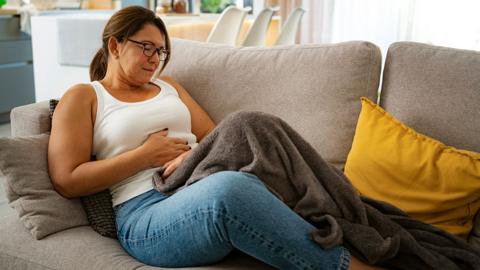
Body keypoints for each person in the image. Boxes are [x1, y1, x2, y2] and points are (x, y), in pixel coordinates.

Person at [48, 6, 380, 270]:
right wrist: (144, 156)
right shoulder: (84, 97)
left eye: (161, 52)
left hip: (197, 179)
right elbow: (67, 179)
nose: (154, 58)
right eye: (146, 47)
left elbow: (215, 136)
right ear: (115, 45)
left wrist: (189, 158)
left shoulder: (170, 86)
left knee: (253, 164)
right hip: (145, 213)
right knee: (230, 190)